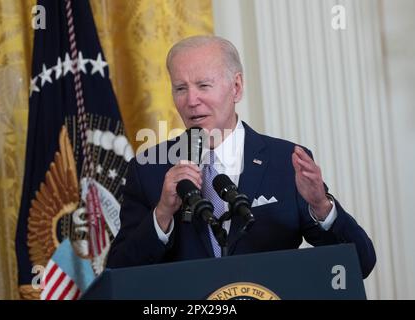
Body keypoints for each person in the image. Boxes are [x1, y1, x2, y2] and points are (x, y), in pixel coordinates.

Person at [106, 35, 376, 278]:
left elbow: (359, 264)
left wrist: (321, 206)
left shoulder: (285, 162)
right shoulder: (148, 169)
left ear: (236, 87)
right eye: (180, 88)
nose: (191, 100)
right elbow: (117, 273)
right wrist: (163, 212)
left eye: (203, 85)